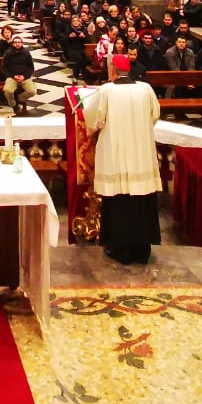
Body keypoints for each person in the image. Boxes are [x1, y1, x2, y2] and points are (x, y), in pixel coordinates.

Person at [82, 54, 161, 264]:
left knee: (119, 199)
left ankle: (120, 249)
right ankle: (142, 249)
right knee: (142, 198)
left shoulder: (107, 91)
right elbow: (155, 115)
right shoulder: (145, 89)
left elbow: (94, 120)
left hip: (116, 153)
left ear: (112, 71)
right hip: (141, 154)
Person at [1, 34, 37, 114]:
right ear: (13, 44)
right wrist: (13, 75)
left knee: (32, 91)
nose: (17, 44)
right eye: (15, 42)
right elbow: (4, 68)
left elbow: (31, 68)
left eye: (19, 42)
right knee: (7, 90)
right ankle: (13, 104)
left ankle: (19, 98)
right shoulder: (8, 53)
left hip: (25, 77)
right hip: (12, 77)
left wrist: (24, 76)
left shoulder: (26, 53)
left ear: (22, 43)